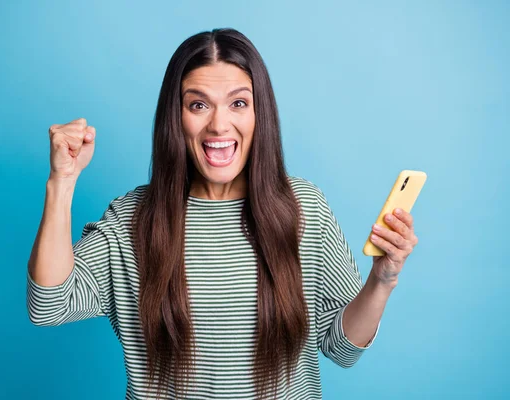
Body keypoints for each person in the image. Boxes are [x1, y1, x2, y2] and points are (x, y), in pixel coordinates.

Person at [26, 28, 419, 400]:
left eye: (238, 103)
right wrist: (61, 182)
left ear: (258, 114)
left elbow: (342, 349)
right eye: (198, 105)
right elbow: (49, 305)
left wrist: (382, 280)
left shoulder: (303, 207)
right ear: (175, 118)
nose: (218, 124)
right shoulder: (134, 218)